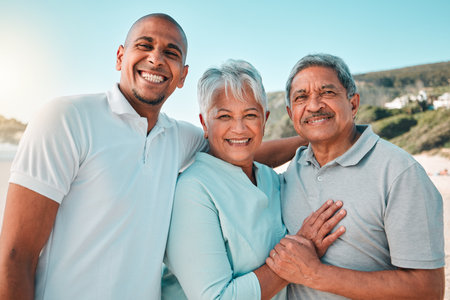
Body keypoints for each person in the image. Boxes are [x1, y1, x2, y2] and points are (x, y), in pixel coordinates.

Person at [0, 14, 304, 300]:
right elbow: (15, 254)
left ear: (182, 75)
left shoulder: (178, 137)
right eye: (145, 45)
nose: (156, 58)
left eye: (171, 53)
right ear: (120, 56)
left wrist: (315, 139)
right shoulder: (68, 118)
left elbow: (240, 148)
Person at [162, 59, 346, 299]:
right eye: (224, 117)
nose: (239, 129)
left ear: (264, 120)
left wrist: (318, 136)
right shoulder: (192, 191)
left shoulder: (271, 179)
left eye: (250, 115)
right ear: (204, 124)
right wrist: (299, 251)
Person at [266, 53, 445, 299]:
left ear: (353, 104)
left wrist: (315, 273)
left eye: (327, 93)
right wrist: (316, 127)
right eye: (301, 98)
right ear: (290, 112)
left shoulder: (398, 172)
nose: (314, 104)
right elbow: (229, 151)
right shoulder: (291, 171)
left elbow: (428, 290)